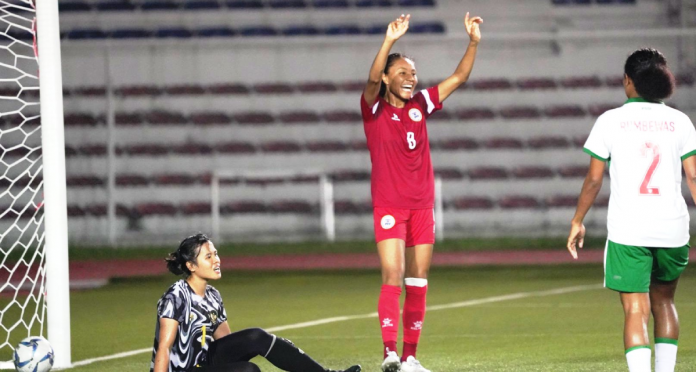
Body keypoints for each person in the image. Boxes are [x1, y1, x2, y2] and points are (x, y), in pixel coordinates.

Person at [361, 11, 482, 372]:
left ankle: (411, 357)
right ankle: (389, 353)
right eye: (401, 73)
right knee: (392, 276)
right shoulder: (374, 108)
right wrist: (389, 42)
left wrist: (473, 41)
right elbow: (369, 79)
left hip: (421, 207)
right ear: (386, 78)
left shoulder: (421, 106)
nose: (410, 79)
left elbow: (459, 77)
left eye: (413, 73)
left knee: (418, 281)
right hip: (389, 205)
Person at [567, 48, 696, 372]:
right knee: (664, 303)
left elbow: (594, 180)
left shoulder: (610, 121)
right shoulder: (680, 121)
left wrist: (577, 220)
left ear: (628, 81)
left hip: (629, 230)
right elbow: (693, 175)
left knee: (635, 311)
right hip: (673, 228)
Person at [150, 233, 362, 372]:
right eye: (208, 257)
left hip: (204, 363)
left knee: (256, 336)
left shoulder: (213, 295)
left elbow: (228, 342)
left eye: (216, 254)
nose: (217, 260)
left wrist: (268, 345)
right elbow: (164, 348)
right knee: (248, 371)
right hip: (183, 370)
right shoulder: (176, 296)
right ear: (191, 265)